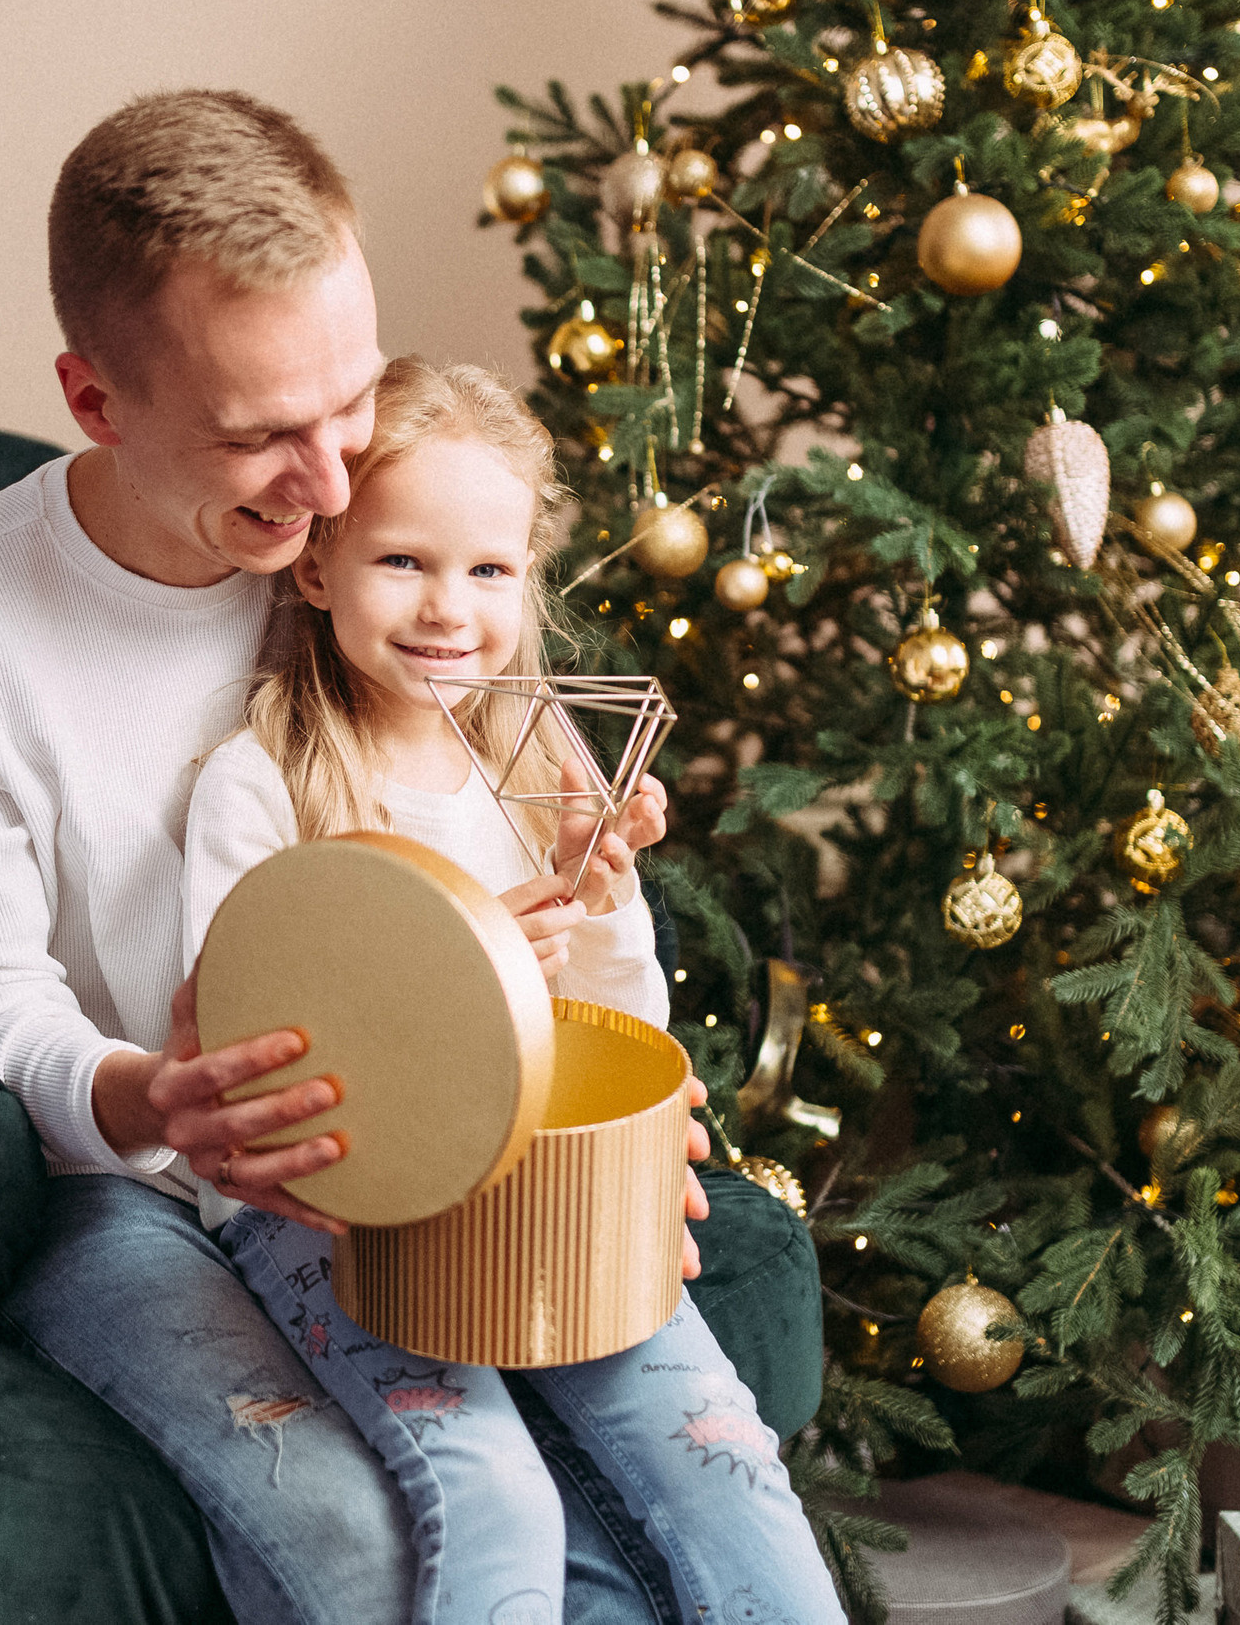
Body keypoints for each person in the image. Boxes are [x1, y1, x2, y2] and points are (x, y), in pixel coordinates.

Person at [0, 89, 723, 1623]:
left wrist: (621, 1113)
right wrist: (154, 1095)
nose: (329, 485)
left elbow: (561, 880)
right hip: (118, 1184)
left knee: (627, 1499)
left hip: (427, 1142)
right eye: (258, 436)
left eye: (347, 402)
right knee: (377, 1538)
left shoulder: (399, 557)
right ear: (96, 398)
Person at [181, 357, 843, 1625]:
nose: (448, 609)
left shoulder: (544, 760)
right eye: (401, 563)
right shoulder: (260, 780)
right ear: (315, 569)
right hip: (339, 1214)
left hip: (550, 1195)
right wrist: (468, 964)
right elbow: (247, 1056)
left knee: (723, 1458)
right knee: (491, 1492)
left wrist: (595, 896)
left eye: (487, 571)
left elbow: (620, 1025)